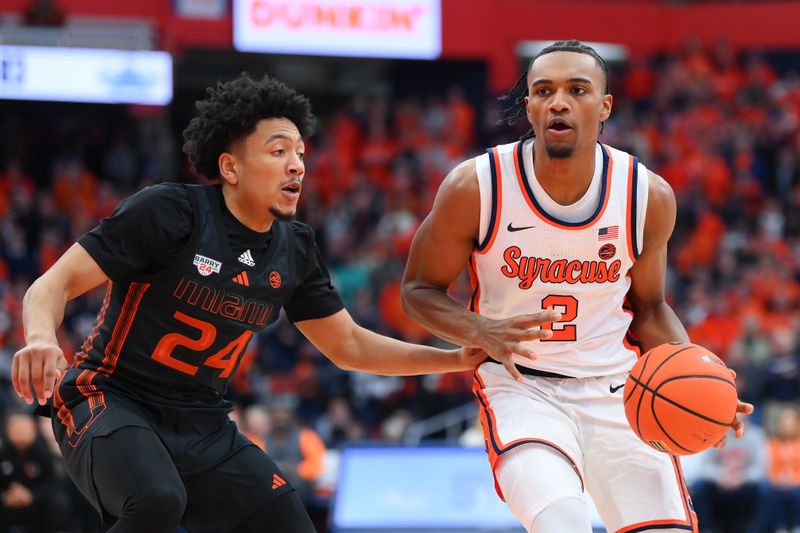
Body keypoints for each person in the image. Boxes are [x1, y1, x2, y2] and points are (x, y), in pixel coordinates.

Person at [10, 73, 499, 533]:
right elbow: (50, 286)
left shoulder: (296, 248)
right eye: (279, 151)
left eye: (302, 154)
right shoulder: (169, 212)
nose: (297, 165)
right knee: (157, 500)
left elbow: (350, 345)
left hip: (203, 423)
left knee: (288, 522)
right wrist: (38, 338)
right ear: (230, 167)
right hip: (108, 401)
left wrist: (453, 358)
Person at [401, 39, 754, 533]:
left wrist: (706, 381)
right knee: (561, 523)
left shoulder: (645, 195)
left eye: (577, 89)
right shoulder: (475, 186)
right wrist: (481, 329)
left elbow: (650, 307)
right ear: (528, 107)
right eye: (543, 91)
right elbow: (418, 290)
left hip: (624, 391)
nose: (558, 101)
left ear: (604, 105)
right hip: (523, 387)